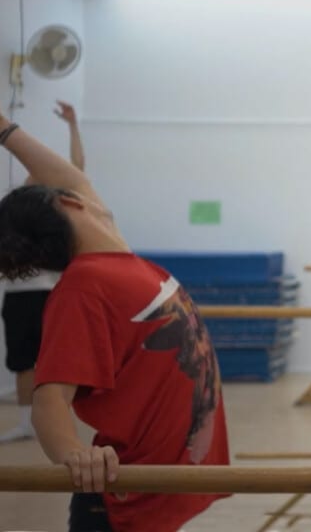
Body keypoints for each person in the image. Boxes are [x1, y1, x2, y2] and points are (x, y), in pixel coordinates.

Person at [0, 105, 230, 532]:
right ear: (71, 202)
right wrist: (74, 454)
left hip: (156, 484)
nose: (92, 195)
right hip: (120, 503)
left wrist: (4, 128)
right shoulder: (85, 287)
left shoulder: (116, 260)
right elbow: (49, 400)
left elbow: (74, 178)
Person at [0, 101, 83, 443]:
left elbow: (75, 167)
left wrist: (73, 126)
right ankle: (25, 422)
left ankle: (51, 419)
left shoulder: (52, 202)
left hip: (50, 293)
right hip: (22, 295)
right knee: (23, 361)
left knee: (52, 362)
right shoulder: (17, 208)